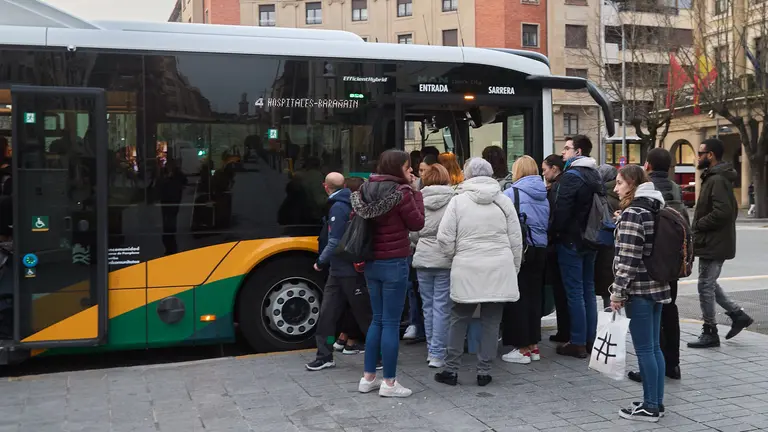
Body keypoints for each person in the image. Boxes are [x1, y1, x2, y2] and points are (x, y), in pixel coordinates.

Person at [434, 158, 523, 387]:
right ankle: (484, 372)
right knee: (491, 323)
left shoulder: (458, 202)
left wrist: (457, 256)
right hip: (499, 267)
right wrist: (513, 268)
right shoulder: (503, 201)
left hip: (467, 267)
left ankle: (451, 370)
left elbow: (444, 238)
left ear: (467, 175)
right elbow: (516, 240)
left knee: (458, 319)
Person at [351, 150, 425, 398]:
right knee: (391, 324)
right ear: (397, 169)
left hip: (371, 263)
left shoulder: (364, 191)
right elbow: (417, 223)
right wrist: (416, 191)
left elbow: (356, 220)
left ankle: (368, 377)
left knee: (378, 320)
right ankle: (390, 383)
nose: (410, 171)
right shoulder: (402, 193)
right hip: (394, 262)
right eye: (407, 167)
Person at [610, 164, 670, 423]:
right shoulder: (656, 207)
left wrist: (617, 291)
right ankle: (656, 401)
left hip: (640, 289)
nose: (615, 188)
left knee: (645, 349)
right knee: (654, 348)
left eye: (620, 183)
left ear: (632, 184)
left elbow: (629, 258)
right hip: (658, 285)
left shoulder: (634, 212)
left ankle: (650, 407)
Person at [627, 148, 686, 382]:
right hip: (673, 261)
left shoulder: (649, 190)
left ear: (648, 165)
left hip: (653, 264)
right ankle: (673, 364)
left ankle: (651, 368)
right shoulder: (675, 188)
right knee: (670, 310)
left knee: (654, 317)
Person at [688, 138, 753, 348]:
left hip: (713, 242)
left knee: (705, 285)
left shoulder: (717, 179)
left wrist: (698, 224)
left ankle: (710, 331)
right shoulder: (714, 177)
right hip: (712, 241)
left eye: (700, 153)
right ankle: (737, 315)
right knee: (709, 282)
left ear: (711, 155)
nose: (698, 157)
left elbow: (724, 212)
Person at [306, 173, 373, 371]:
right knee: (354, 314)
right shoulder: (351, 202)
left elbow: (334, 240)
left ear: (325, 186)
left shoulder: (338, 207)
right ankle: (326, 354)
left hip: (344, 269)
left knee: (334, 314)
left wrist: (320, 261)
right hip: (346, 269)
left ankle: (326, 354)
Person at [551, 135, 602, 358]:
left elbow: (560, 211)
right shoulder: (595, 174)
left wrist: (555, 233)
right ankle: (591, 339)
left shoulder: (571, 177)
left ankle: (578, 341)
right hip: (592, 239)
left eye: (567, 148)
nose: (563, 153)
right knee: (588, 291)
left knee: (574, 292)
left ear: (578, 152)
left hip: (571, 240)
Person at [501, 156, 549, 364]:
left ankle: (521, 348)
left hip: (522, 249)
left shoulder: (512, 193)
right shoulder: (543, 194)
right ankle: (533, 345)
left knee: (517, 297)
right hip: (541, 248)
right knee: (534, 297)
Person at [410, 164, 456, 368]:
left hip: (423, 258)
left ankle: (432, 350)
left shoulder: (417, 199)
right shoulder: (454, 200)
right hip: (445, 259)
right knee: (442, 307)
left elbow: (413, 233)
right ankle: (438, 353)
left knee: (427, 307)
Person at [542, 154, 568, 343]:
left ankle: (565, 330)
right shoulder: (558, 187)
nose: (543, 174)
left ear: (554, 169)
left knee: (562, 291)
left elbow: (553, 219)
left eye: (544, 170)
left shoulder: (555, 190)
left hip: (558, 245)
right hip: (567, 243)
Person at [594, 164, 620, 309]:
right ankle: (611, 316)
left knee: (603, 286)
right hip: (618, 243)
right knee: (611, 285)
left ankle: (607, 320)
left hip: (604, 243)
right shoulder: (621, 192)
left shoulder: (603, 194)